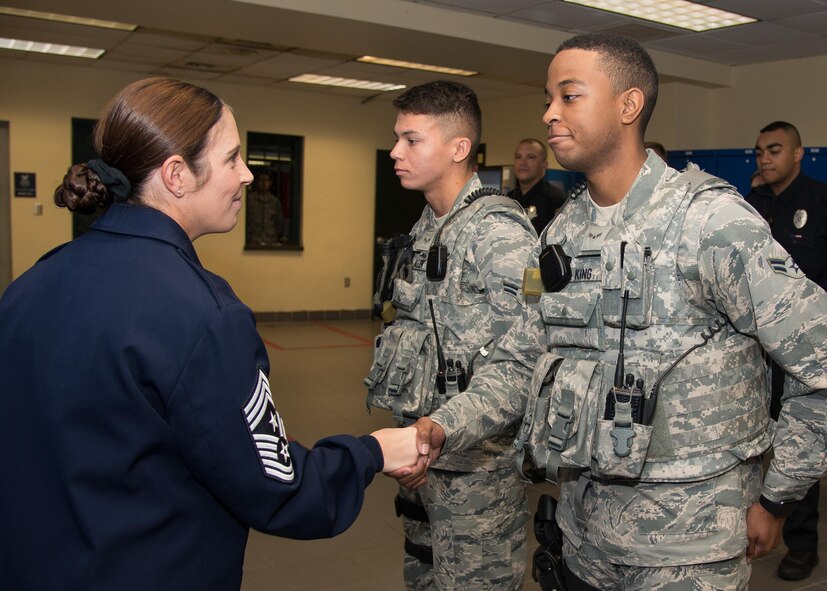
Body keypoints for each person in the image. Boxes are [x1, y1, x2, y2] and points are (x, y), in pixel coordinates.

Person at [404, 33, 827, 590]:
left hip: (687, 552)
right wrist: (443, 425)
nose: (550, 112)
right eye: (548, 98)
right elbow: (521, 361)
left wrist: (777, 496)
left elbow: (818, 361)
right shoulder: (563, 233)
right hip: (584, 541)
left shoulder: (710, 223)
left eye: (569, 96)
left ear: (629, 105)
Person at [0, 77, 422, 591]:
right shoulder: (202, 312)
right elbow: (279, 489)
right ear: (177, 175)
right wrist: (375, 451)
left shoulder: (32, 282)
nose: (247, 175)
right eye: (231, 159)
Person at [364, 80, 536, 590]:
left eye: (411, 139)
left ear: (459, 148)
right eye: (397, 137)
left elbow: (522, 365)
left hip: (477, 476)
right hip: (425, 461)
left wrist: (440, 426)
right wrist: (417, 433)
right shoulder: (427, 227)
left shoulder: (499, 236)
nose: (395, 152)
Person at [746, 120, 827, 581]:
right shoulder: (752, 205)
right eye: (759, 151)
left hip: (803, 350)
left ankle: (801, 541)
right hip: (756, 355)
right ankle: (753, 519)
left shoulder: (820, 201)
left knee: (799, 441)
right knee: (758, 443)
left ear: (798, 153)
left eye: (774, 150)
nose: (764, 159)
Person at [509, 137, 567, 234]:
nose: (522, 162)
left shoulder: (557, 200)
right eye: (518, 157)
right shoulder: (508, 199)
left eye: (531, 157)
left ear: (544, 164)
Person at [245, 169, 287, 246]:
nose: (264, 183)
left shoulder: (275, 202)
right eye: (261, 180)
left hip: (271, 241)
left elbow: (279, 223)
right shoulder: (250, 200)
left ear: (270, 183)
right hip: (253, 240)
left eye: (266, 180)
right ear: (257, 182)